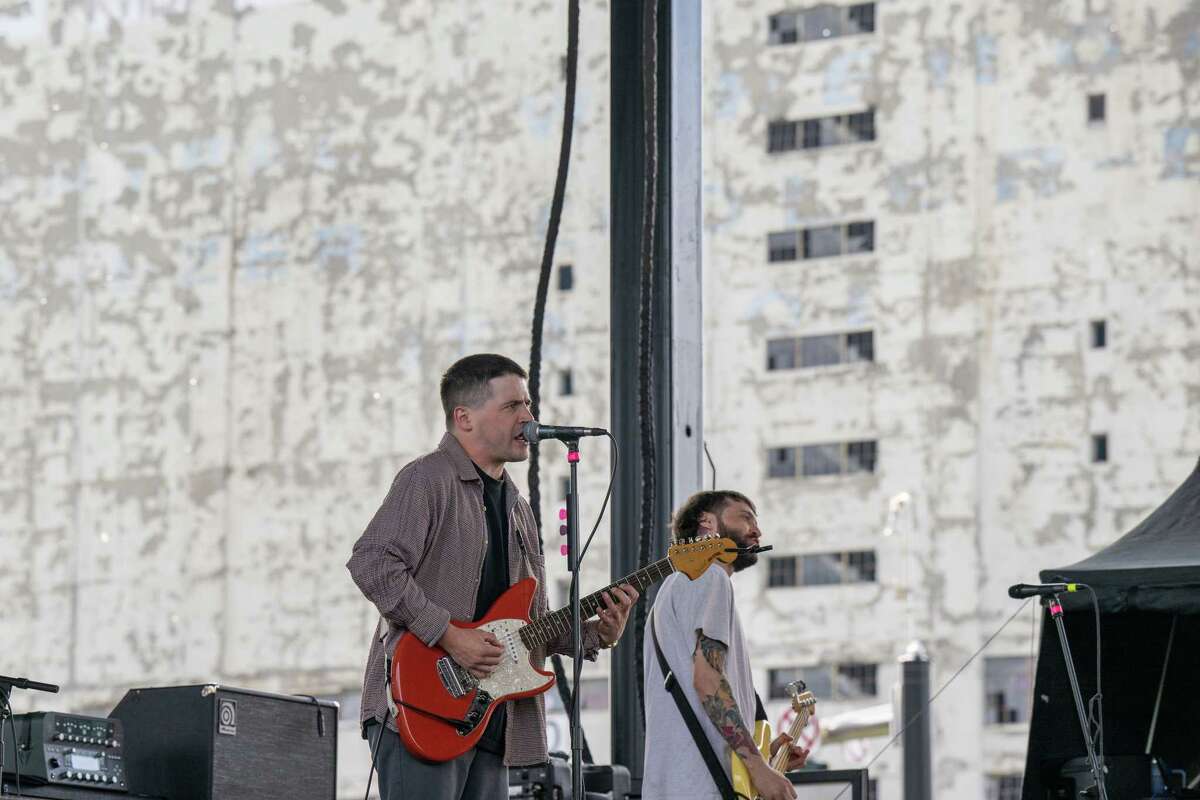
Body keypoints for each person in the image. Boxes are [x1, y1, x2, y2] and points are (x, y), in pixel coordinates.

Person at [347, 353, 638, 800]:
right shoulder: (428, 478)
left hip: (492, 717)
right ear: (464, 418)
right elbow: (372, 563)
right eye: (512, 406)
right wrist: (448, 634)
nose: (529, 417)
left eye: (528, 404)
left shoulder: (518, 508)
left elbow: (530, 627)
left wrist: (598, 634)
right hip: (422, 703)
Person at [643, 490, 809, 800]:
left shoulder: (678, 587)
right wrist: (759, 769)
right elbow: (708, 682)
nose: (757, 530)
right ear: (708, 524)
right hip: (701, 788)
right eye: (745, 518)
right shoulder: (709, 576)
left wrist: (769, 755)